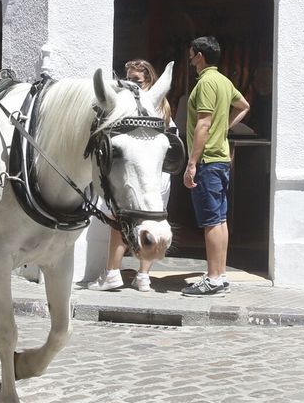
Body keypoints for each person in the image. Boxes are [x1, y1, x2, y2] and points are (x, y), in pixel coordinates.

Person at [89, 59, 174, 292]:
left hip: (148, 176)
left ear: (149, 80)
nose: (131, 85)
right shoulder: (145, 105)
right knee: (135, 222)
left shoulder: (153, 105)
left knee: (130, 222)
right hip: (145, 175)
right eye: (128, 80)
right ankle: (136, 276)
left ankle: (120, 273)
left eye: (136, 80)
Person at [182, 36, 250, 297]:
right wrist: (225, 128)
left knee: (211, 221)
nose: (189, 59)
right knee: (220, 219)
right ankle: (219, 276)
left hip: (208, 160)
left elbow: (203, 124)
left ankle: (212, 279)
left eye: (191, 55)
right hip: (220, 159)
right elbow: (243, 106)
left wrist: (192, 163)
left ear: (199, 56)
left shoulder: (207, 83)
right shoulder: (223, 81)